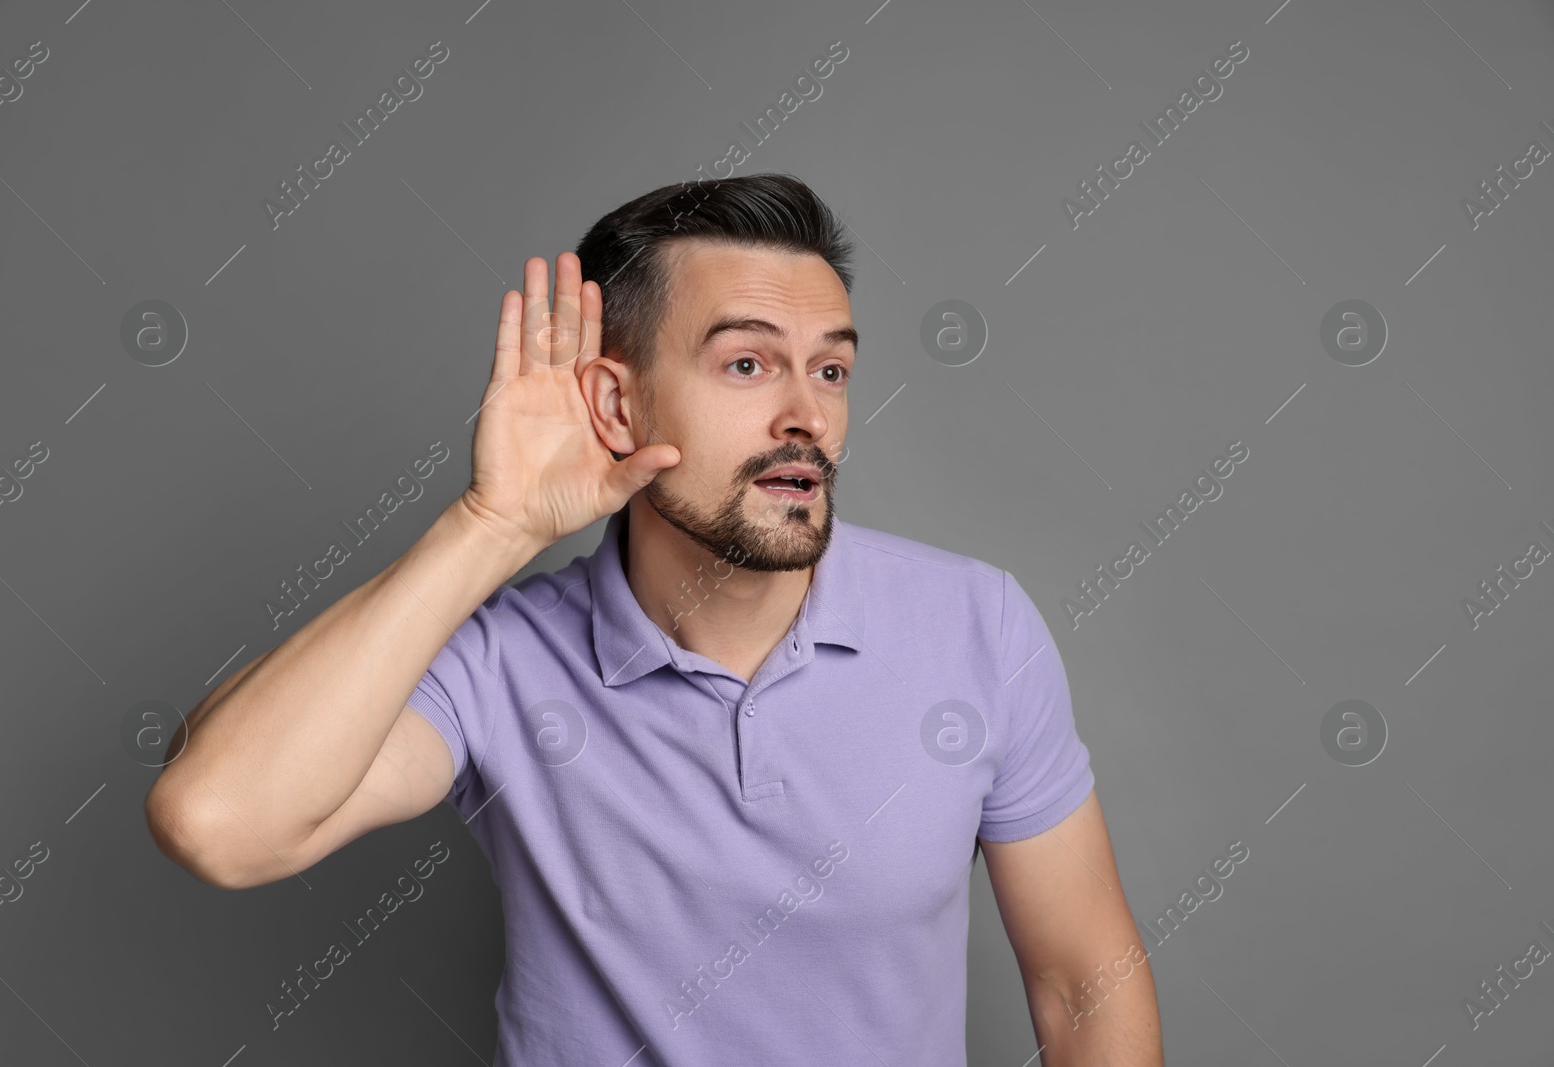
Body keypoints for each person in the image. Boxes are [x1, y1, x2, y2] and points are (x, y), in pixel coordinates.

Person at [144, 173, 1163, 1065]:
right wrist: (492, 524)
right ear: (615, 406)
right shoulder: (501, 657)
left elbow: (1084, 981)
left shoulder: (975, 621)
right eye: (747, 365)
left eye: (832, 367)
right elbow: (220, 823)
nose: (805, 411)